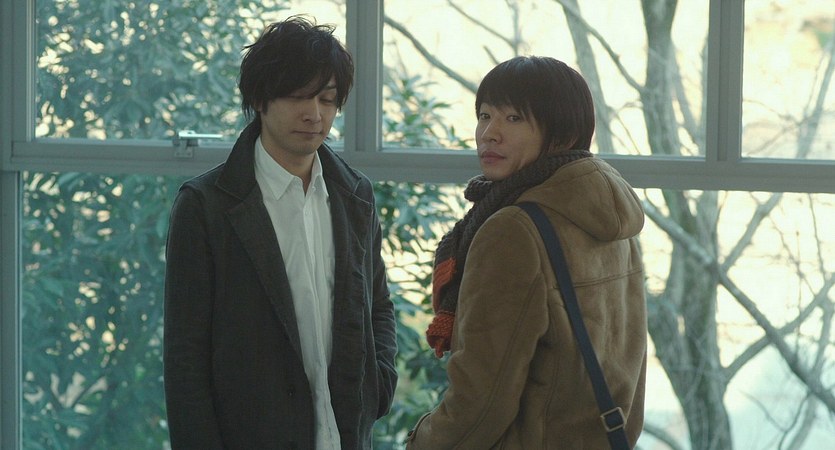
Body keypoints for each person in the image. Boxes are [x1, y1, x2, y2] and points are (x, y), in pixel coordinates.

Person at [163, 16, 397, 450]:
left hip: (344, 434)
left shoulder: (355, 195)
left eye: (327, 100)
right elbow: (185, 358)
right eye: (297, 96)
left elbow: (377, 304)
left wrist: (378, 384)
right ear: (260, 98)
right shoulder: (206, 205)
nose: (314, 114)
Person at [405, 56, 647, 449]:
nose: (489, 134)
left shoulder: (512, 230)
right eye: (485, 116)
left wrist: (421, 442)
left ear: (563, 134)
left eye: (514, 118)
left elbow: (480, 402)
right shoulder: (611, 214)